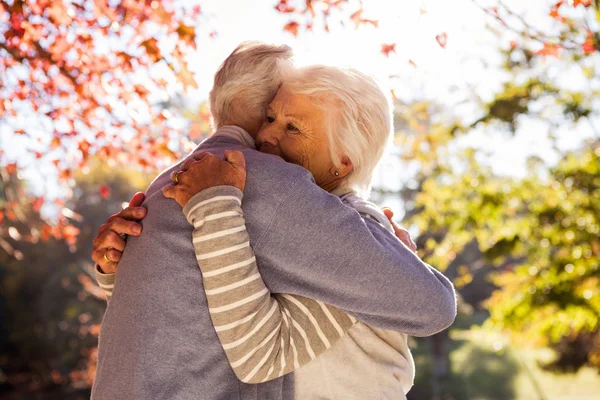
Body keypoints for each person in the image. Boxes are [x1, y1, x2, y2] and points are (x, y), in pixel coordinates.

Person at [91, 42, 456, 400]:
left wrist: (398, 262)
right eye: (269, 117)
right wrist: (120, 270)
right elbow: (194, 308)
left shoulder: (326, 221)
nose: (265, 137)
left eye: (293, 127)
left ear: (343, 162)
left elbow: (259, 354)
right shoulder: (292, 223)